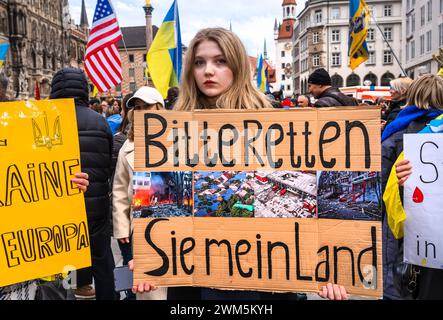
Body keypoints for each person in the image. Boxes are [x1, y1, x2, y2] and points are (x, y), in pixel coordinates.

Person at [132, 27, 347, 300]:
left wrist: (331, 264)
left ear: (236, 66)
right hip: (194, 280)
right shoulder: (170, 129)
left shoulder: (277, 125)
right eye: (199, 62)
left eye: (220, 61)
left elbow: (314, 196)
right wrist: (149, 255)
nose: (208, 71)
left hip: (265, 281)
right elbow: (158, 197)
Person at [50, 68, 117, 300]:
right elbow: (108, 163)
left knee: (66, 260)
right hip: (96, 206)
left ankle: (74, 289)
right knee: (102, 259)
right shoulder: (100, 122)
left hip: (60, 208)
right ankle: (108, 296)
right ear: (84, 90)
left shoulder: (45, 122)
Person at [381, 74, 443, 300]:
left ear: (412, 96)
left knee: (401, 284)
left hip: (401, 230)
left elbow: (380, 186)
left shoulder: (396, 130)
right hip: (436, 230)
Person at [112, 86, 167, 300]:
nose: (142, 111)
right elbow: (119, 189)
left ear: (159, 108)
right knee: (149, 287)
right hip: (142, 227)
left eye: (147, 106)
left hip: (173, 223)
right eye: (138, 108)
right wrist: (121, 227)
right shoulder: (128, 146)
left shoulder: (178, 139)